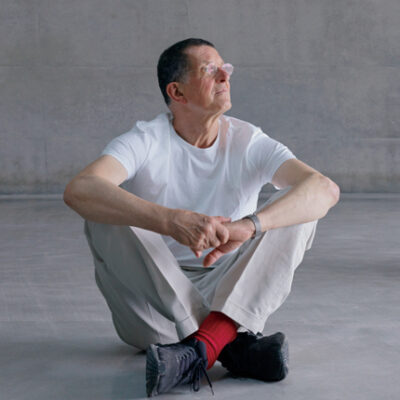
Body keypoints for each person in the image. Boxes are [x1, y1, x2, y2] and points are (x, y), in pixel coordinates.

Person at [64, 38, 340, 397]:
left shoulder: (247, 139)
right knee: (103, 210)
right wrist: (170, 221)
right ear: (177, 92)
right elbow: (80, 189)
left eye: (225, 69)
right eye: (210, 70)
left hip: (229, 290)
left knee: (300, 206)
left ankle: (199, 350)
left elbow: (324, 189)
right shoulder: (147, 138)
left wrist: (248, 226)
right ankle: (227, 341)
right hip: (153, 311)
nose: (225, 76)